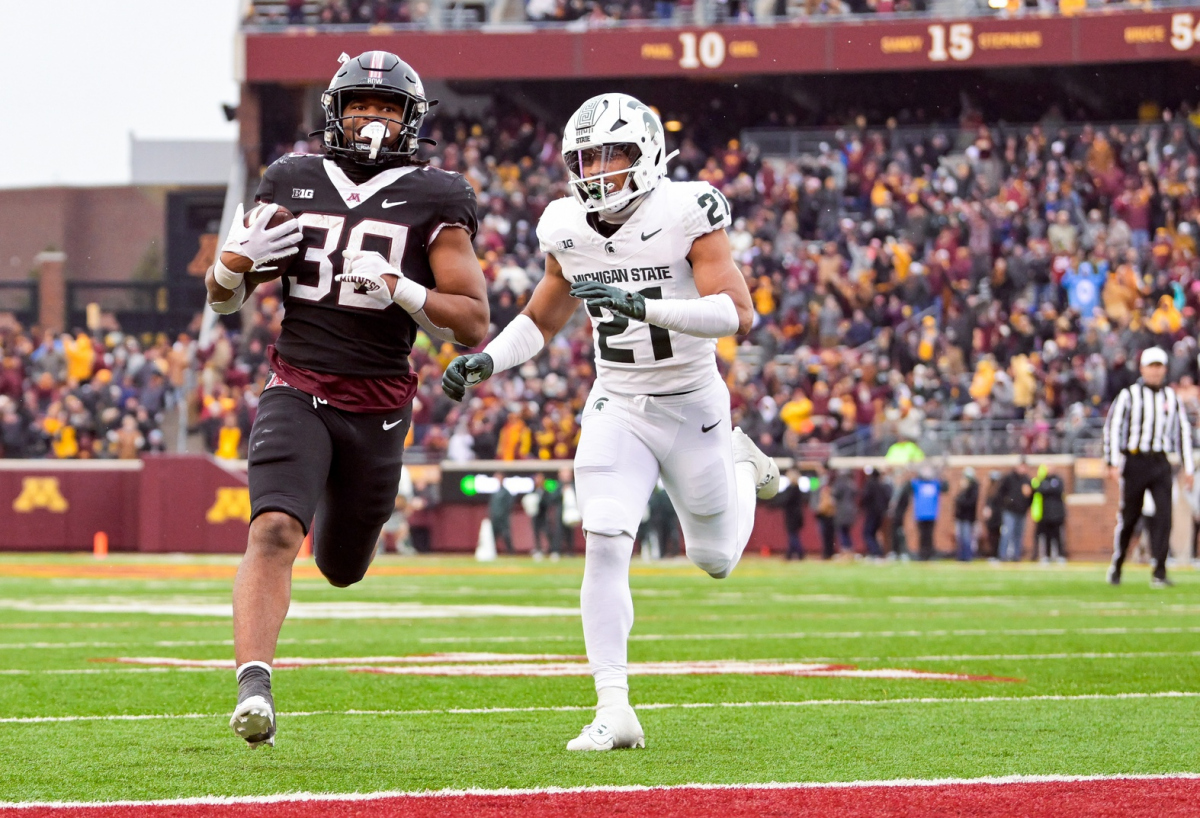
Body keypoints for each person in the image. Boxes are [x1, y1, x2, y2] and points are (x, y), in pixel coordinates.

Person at [441, 93, 778, 752]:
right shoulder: (566, 225)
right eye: (586, 157)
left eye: (611, 154)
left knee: (714, 559)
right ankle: (614, 705)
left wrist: (642, 306)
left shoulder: (686, 210)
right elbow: (541, 319)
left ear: (646, 152)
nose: (596, 169)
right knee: (603, 534)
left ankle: (744, 463)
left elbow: (739, 314)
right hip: (619, 403)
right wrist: (486, 364)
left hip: (694, 406)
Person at [213, 51, 488, 749]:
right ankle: (254, 687)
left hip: (379, 402)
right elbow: (225, 298)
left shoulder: (438, 195)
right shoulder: (292, 178)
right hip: (298, 383)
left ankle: (336, 514)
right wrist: (229, 266)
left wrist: (401, 287)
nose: (372, 117)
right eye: (361, 103)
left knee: (342, 567)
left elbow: (473, 320)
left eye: (388, 106)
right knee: (273, 531)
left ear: (411, 119)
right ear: (336, 112)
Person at [1103, 347, 1195, 587]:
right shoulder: (1129, 395)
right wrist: (1112, 461)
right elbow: (1113, 427)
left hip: (1160, 462)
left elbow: (1182, 431)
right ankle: (1118, 563)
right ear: (1142, 368)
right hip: (1135, 461)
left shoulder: (1171, 397)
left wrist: (1189, 467)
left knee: (1164, 516)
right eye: (1151, 366)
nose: (1155, 371)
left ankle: (1159, 571)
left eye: (1159, 366)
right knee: (1130, 516)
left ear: (1164, 369)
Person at [997, 459, 1033, 562]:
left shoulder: (1027, 480)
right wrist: (1006, 503)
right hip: (1010, 511)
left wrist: (1027, 505)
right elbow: (1000, 493)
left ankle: (1016, 555)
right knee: (1007, 532)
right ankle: (1002, 555)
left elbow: (1031, 496)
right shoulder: (1009, 478)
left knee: (1018, 534)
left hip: (1021, 512)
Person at [1030, 465, 1066, 562]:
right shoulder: (1042, 480)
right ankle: (1047, 556)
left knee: (1057, 536)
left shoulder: (1058, 479)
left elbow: (1058, 490)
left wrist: (1048, 489)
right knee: (1047, 536)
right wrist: (1049, 489)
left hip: (1057, 514)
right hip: (1045, 514)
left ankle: (1060, 555)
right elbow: (1040, 490)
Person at [910, 466, 945, 561]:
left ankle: (930, 554)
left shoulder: (935, 483)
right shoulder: (918, 483)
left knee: (929, 535)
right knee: (922, 535)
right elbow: (909, 483)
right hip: (920, 514)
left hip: (932, 514)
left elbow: (945, 487)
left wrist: (940, 472)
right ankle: (922, 554)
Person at [776, 467, 807, 560]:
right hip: (795, 515)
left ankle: (799, 553)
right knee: (793, 535)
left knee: (793, 535)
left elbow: (786, 500)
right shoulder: (796, 488)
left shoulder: (793, 489)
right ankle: (790, 553)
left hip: (793, 516)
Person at [860, 466, 890, 560]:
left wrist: (862, 506)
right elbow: (887, 498)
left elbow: (865, 497)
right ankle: (878, 552)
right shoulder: (882, 485)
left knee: (868, 533)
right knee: (873, 533)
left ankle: (875, 552)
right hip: (880, 513)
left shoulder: (870, 484)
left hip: (872, 512)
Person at [953, 467, 979, 562]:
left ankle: (967, 556)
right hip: (961, 516)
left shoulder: (973, 487)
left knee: (967, 537)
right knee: (961, 537)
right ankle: (961, 556)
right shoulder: (963, 488)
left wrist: (961, 499)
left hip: (968, 517)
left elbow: (970, 502)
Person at [488, 472, 516, 554]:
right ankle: (492, 552)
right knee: (493, 536)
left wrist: (504, 514)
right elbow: (492, 505)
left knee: (506, 535)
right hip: (495, 517)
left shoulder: (506, 492)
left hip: (503, 518)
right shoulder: (495, 492)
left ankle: (511, 552)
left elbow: (509, 505)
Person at [832, 470, 858, 556]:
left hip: (842, 511)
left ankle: (845, 551)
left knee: (842, 532)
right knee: (846, 532)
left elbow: (834, 496)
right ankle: (849, 550)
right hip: (851, 510)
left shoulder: (840, 483)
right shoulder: (852, 484)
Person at [981, 470, 1004, 560]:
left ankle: (997, 554)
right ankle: (993, 554)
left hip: (998, 516)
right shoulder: (989, 491)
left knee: (997, 536)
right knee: (991, 535)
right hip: (991, 517)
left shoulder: (1000, 491)